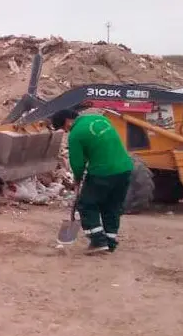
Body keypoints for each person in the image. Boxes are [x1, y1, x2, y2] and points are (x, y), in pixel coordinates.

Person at [50, 109, 134, 254]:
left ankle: (98, 241)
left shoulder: (76, 134)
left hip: (102, 172)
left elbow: (77, 163)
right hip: (125, 169)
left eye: (63, 128)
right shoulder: (100, 119)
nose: (65, 131)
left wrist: (77, 179)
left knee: (86, 204)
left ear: (67, 121)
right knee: (111, 205)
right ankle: (110, 241)